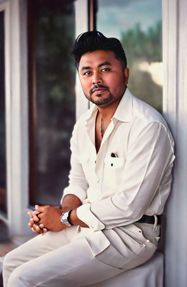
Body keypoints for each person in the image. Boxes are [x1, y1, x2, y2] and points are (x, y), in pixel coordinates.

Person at [3, 31, 175, 287]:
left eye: (105, 69)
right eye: (87, 72)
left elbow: (129, 205)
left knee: (24, 278)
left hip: (129, 236)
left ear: (125, 73)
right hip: (85, 225)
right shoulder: (83, 125)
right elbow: (78, 181)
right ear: (80, 79)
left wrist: (63, 219)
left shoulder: (148, 126)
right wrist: (58, 213)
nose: (96, 79)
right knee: (11, 263)